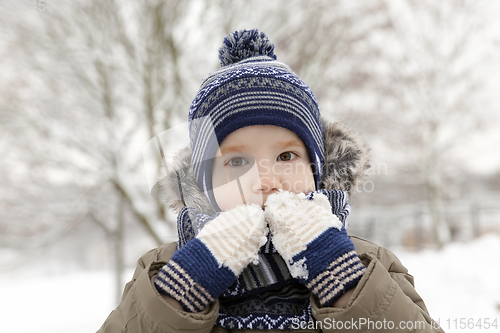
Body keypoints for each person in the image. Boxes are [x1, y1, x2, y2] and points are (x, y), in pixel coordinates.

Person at [98, 29, 444, 332]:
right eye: (236, 161)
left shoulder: (366, 263)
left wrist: (345, 283)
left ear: (317, 170)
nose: (266, 180)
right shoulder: (165, 270)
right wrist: (184, 289)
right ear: (205, 186)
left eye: (286, 157)